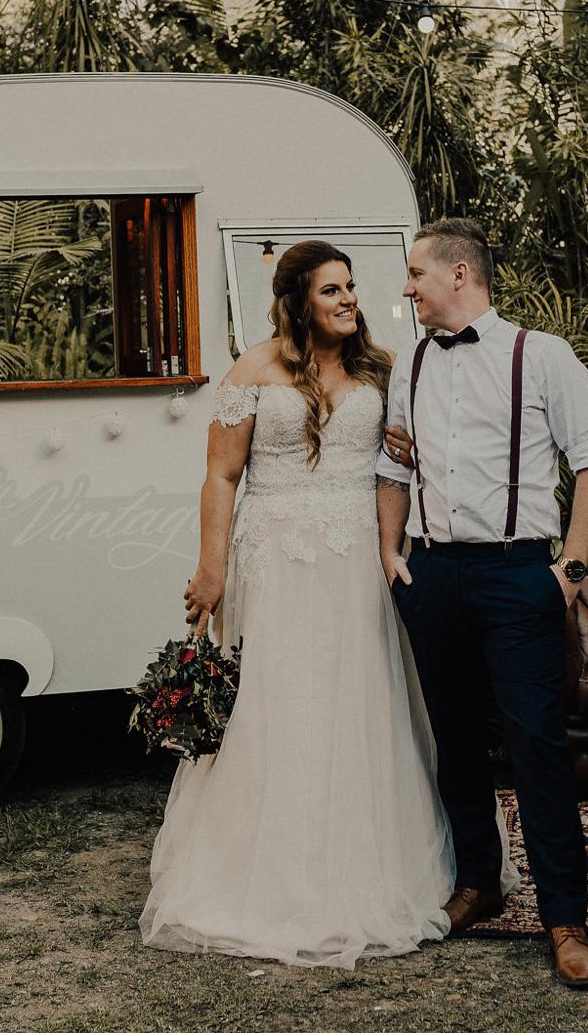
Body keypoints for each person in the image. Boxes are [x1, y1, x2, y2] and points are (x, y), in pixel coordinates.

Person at [140, 241, 453, 969]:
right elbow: (220, 477)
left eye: (351, 287)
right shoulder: (252, 371)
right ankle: (268, 873)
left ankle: (370, 865)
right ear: (296, 301)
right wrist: (209, 570)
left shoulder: (380, 369)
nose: (348, 299)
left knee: (360, 701)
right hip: (275, 557)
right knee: (281, 704)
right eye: (331, 290)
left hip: (359, 557)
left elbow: (400, 465)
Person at [376, 217, 588, 989]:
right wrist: (392, 553)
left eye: (415, 273)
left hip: (519, 576)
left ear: (459, 274)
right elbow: (392, 463)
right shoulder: (408, 362)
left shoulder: (541, 356)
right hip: (434, 576)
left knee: (536, 745)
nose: (406, 288)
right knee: (453, 738)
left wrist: (569, 567)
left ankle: (565, 917)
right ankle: (478, 883)